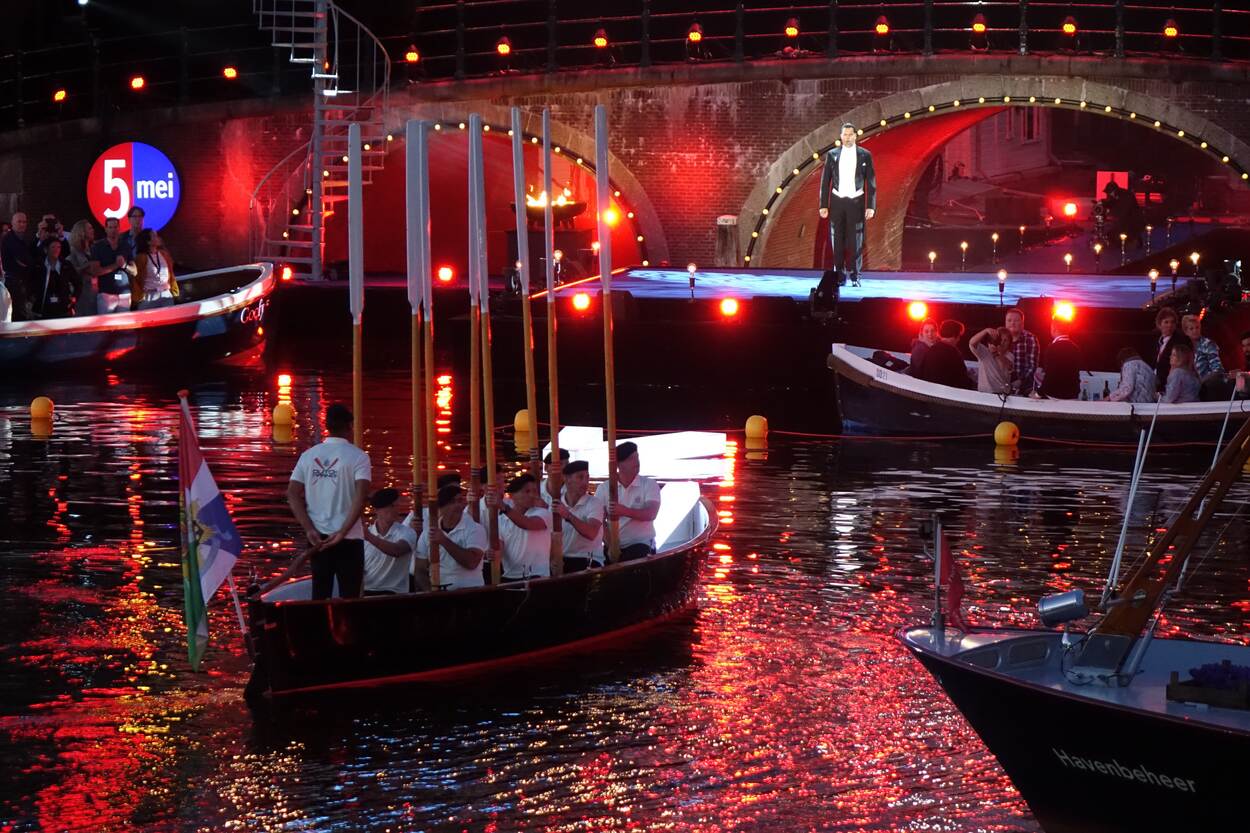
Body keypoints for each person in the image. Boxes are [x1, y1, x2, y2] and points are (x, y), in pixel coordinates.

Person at [287, 404, 371, 599]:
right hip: (349, 538)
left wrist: (309, 529)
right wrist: (342, 532)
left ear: (326, 426)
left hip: (318, 538)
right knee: (350, 598)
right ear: (350, 426)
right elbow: (361, 496)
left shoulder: (308, 456)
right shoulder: (359, 457)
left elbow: (292, 494)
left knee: (320, 595)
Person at [815, 122, 877, 304]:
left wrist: (871, 206)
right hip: (837, 200)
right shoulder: (832, 155)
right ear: (841, 136)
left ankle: (855, 275)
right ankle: (839, 275)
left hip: (856, 201)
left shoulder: (865, 155)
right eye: (845, 135)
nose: (848, 137)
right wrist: (823, 205)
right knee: (837, 238)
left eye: (851, 134)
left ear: (855, 136)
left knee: (856, 238)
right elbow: (825, 181)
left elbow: (871, 181)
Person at [414, 483, 488, 592]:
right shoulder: (427, 533)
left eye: (460, 501)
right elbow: (420, 570)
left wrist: (444, 541)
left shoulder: (475, 529)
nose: (458, 505)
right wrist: (430, 592)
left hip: (469, 592)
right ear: (441, 508)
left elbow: (471, 562)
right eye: (452, 502)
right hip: (437, 591)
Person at [490, 473, 552, 581]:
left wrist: (504, 507)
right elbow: (500, 548)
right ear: (512, 495)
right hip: (510, 576)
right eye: (527, 491)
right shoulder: (501, 520)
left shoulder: (543, 513)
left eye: (534, 491)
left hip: (537, 576)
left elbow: (528, 524)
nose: (532, 495)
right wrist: (493, 553)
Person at [608, 441, 662, 561]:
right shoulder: (605, 488)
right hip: (614, 545)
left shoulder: (649, 484)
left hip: (642, 544)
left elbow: (651, 514)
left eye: (637, 457)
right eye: (631, 459)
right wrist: (610, 544)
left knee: (633, 558)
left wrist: (624, 511)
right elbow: (600, 522)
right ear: (619, 465)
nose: (637, 462)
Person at [361, 487, 417, 595]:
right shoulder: (365, 536)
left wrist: (369, 537)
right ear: (376, 510)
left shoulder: (407, 532)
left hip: (395, 593)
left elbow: (397, 550)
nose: (396, 510)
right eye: (391, 506)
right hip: (368, 591)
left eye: (397, 506)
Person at [553, 460, 605, 572]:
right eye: (580, 477)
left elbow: (591, 533)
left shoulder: (594, 503)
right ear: (567, 479)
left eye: (587, 477)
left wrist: (568, 516)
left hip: (588, 559)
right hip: (562, 559)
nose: (585, 482)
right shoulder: (555, 505)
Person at [911, 319, 973, 389]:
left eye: (933, 331)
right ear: (955, 336)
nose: (930, 334)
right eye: (926, 331)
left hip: (930, 389)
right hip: (944, 391)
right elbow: (962, 379)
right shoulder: (953, 353)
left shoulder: (931, 349)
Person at [90, 216, 134, 314]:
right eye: (110, 227)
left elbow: (134, 271)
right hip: (106, 294)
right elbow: (95, 271)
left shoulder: (125, 245)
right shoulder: (98, 246)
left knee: (124, 323)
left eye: (115, 227)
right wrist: (115, 265)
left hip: (124, 294)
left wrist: (124, 265)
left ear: (119, 228)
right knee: (105, 322)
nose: (113, 230)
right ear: (105, 229)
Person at [131, 228, 178, 310]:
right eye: (154, 236)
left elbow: (171, 273)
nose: (158, 238)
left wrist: (173, 291)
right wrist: (139, 297)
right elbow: (136, 279)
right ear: (148, 242)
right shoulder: (141, 258)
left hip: (166, 295)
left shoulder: (164, 254)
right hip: (149, 296)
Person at [1038, 315, 1083, 399]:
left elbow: (1050, 375)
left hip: (1054, 396)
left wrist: (1039, 393)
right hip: (1072, 395)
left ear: (1053, 328)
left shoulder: (1052, 348)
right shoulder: (1075, 348)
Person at [32, 239, 79, 319]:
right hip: (43, 308)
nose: (56, 250)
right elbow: (30, 282)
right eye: (53, 247)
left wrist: (74, 297)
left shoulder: (66, 265)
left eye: (59, 247)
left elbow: (77, 283)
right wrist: (33, 298)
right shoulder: (38, 265)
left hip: (63, 308)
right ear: (46, 249)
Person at [1151, 307, 1192, 392]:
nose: (1170, 325)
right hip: (1155, 382)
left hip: (1171, 384)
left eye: (1172, 322)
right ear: (1159, 324)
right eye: (1166, 322)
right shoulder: (1156, 339)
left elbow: (1184, 364)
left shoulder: (1181, 340)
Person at [1, 211, 32, 321]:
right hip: (12, 283)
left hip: (21, 281)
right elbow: (23, 260)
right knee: (16, 314)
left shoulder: (23, 239)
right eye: (19, 222)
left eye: (24, 222)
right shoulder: (9, 240)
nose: (22, 224)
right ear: (12, 223)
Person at [968, 326, 1013, 394]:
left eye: (1005, 340)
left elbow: (1006, 365)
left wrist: (997, 353)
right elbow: (972, 343)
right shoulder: (985, 352)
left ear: (1010, 343)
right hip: (984, 393)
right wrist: (985, 331)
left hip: (1002, 395)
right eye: (1001, 339)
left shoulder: (1010, 355)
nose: (1002, 343)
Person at [1004, 307, 1039, 395]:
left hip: (1024, 386)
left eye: (1016, 320)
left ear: (1022, 323)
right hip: (1002, 383)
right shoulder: (1000, 337)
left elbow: (1032, 366)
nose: (1012, 323)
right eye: (1009, 320)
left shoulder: (1030, 338)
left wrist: (1020, 381)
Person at [67, 220, 97, 316]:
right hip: (82, 292)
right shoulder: (74, 251)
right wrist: (88, 265)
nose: (93, 230)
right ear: (81, 232)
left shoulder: (95, 248)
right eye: (90, 228)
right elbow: (72, 271)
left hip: (96, 290)